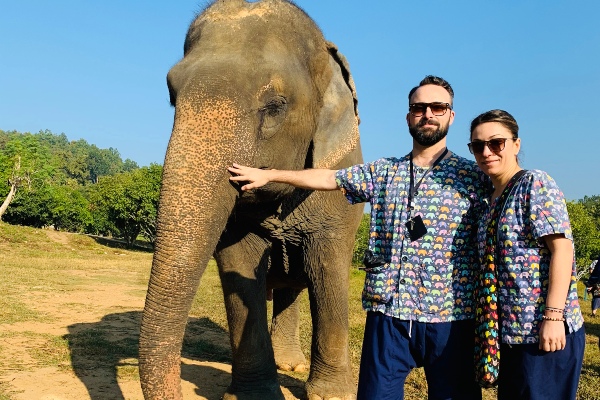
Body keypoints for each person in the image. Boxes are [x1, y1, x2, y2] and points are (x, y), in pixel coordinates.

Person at [229, 76, 486, 400]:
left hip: (451, 316)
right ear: (409, 116)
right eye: (419, 108)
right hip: (389, 313)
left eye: (437, 107)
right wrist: (270, 174)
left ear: (451, 115)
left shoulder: (474, 178)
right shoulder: (385, 171)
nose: (428, 114)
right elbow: (329, 177)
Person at [468, 109, 585, 400]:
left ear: (516, 144)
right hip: (507, 336)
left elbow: (562, 249)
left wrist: (554, 317)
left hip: (543, 332)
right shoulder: (488, 200)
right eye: (478, 145)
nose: (487, 151)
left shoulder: (534, 184)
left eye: (497, 143)